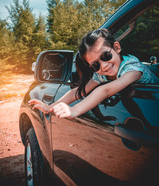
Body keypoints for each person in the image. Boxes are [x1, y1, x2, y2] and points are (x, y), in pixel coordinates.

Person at [28, 29, 159, 119]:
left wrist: (74, 110)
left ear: (117, 48)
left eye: (106, 55)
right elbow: (78, 92)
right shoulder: (101, 74)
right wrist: (49, 107)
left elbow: (106, 90)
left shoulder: (133, 68)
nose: (104, 65)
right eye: (95, 64)